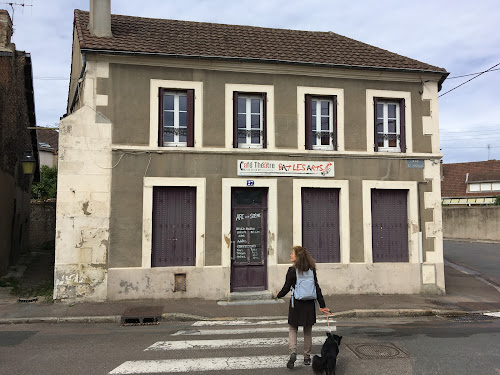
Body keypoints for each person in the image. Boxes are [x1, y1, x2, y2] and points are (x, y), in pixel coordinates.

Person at [276, 245, 330, 368]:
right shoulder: (311, 269)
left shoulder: (291, 271)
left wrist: (277, 296)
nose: (290, 255)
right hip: (309, 305)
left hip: (296, 305)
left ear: (297, 257)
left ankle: (293, 353)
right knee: (307, 331)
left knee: (293, 328)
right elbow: (317, 288)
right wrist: (322, 305)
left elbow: (286, 288)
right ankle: (307, 357)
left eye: (292, 253)